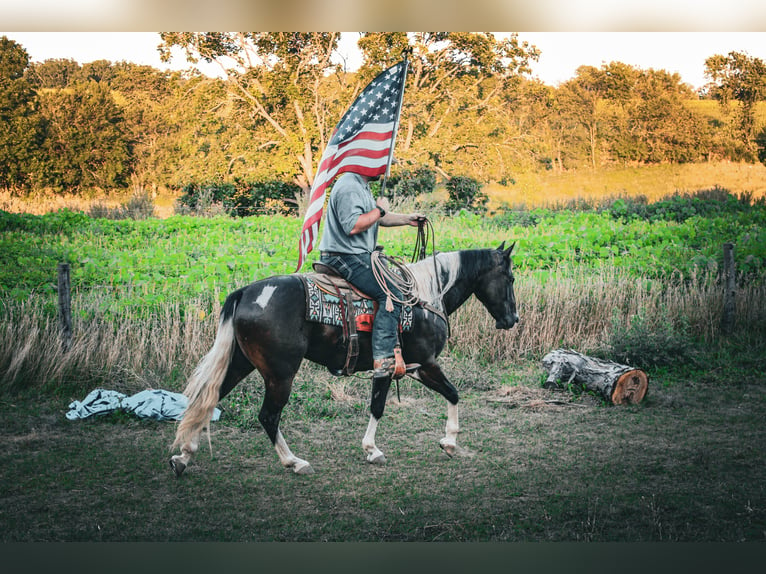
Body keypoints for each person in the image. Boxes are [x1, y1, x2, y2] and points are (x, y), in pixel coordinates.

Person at [319, 170, 423, 379]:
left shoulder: (360, 184)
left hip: (355, 254)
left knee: (393, 283)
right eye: (381, 162)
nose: (385, 169)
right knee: (391, 293)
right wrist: (380, 210)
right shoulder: (350, 185)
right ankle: (383, 359)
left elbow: (375, 218)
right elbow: (354, 225)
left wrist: (406, 219)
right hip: (345, 256)